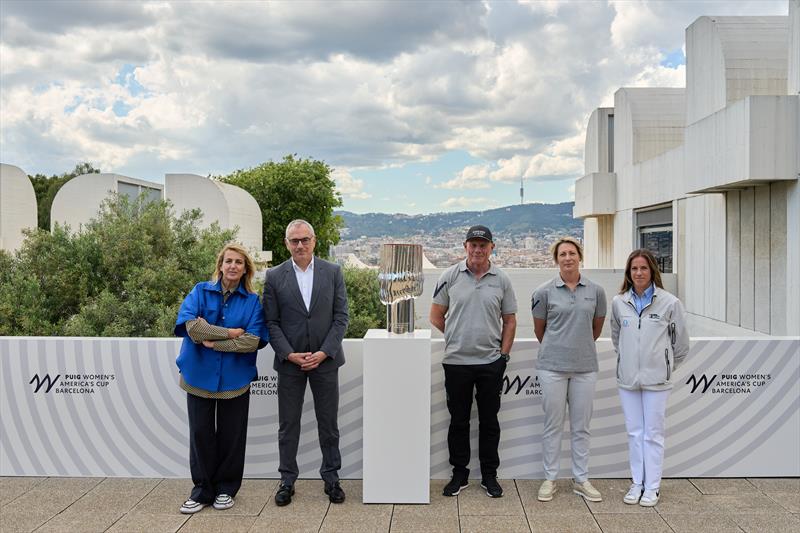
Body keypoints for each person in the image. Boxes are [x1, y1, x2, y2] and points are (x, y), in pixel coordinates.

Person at [174, 243, 268, 514]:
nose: (233, 266)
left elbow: (252, 340)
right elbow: (193, 328)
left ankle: (226, 489)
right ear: (220, 264)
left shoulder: (252, 301)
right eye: (229, 261)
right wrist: (230, 334)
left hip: (235, 380)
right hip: (198, 375)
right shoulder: (200, 290)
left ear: (245, 269)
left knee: (232, 435)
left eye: (239, 262)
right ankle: (202, 490)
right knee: (201, 433)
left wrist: (215, 344)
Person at [263, 219, 349, 506]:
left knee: (329, 424)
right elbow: (271, 323)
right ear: (286, 243)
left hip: (325, 362)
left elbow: (341, 318)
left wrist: (324, 352)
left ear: (314, 241)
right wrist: (289, 354)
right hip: (290, 364)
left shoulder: (333, 271)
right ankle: (287, 480)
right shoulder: (274, 276)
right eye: (294, 241)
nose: (300, 245)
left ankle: (332, 478)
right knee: (288, 425)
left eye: (304, 240)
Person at [430, 224, 517, 498]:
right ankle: (460, 474)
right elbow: (435, 315)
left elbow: (510, 320)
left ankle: (489, 476)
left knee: (490, 422)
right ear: (465, 247)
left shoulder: (501, 279)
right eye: (473, 244)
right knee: (459, 422)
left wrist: (503, 356)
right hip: (456, 362)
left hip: (490, 363)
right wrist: (456, 335)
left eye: (483, 245)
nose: (478, 249)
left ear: (492, 248)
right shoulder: (449, 276)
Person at [611, 249, 689, 507]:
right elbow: (616, 338)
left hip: (657, 382)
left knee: (653, 434)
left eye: (644, 268)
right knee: (634, 433)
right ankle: (637, 484)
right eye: (634, 269)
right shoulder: (619, 302)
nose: (639, 273)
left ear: (652, 270)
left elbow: (681, 346)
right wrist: (628, 362)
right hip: (628, 380)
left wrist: (664, 367)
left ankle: (652, 487)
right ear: (628, 273)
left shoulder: (670, 303)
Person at [532, 236, 606, 503]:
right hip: (552, 366)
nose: (567, 258)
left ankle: (581, 478)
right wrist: (561, 347)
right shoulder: (543, 292)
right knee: (552, 425)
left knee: (581, 427)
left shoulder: (596, 291)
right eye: (562, 254)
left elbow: (595, 328)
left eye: (572, 253)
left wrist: (577, 346)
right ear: (556, 260)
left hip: (585, 367)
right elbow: (541, 330)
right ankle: (550, 478)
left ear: (579, 257)